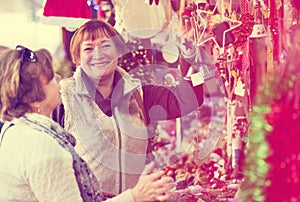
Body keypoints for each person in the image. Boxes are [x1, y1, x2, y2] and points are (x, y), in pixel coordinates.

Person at [0, 46, 175, 202]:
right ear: (35, 99)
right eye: (52, 79)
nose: (59, 79)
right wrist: (135, 196)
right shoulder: (43, 148)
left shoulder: (16, 131)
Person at [52, 19, 204, 196]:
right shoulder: (63, 99)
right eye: (88, 48)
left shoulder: (139, 93)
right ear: (77, 58)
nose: (98, 54)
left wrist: (190, 54)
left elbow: (189, 100)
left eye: (106, 46)